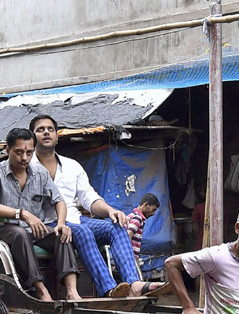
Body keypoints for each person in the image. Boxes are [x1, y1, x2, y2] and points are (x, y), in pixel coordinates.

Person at [30, 114, 164, 297]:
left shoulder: (72, 166)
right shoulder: (26, 166)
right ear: (32, 137)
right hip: (47, 224)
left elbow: (89, 198)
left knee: (117, 227)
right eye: (40, 129)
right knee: (83, 232)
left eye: (50, 129)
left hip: (75, 220)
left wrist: (111, 211)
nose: (46, 132)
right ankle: (109, 289)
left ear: (57, 135)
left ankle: (133, 284)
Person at [0, 127, 81, 302]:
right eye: (18, 152)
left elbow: (59, 201)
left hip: (34, 230)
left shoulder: (40, 173)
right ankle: (40, 289)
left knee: (62, 235)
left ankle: (71, 290)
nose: (24, 158)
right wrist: (22, 214)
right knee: (20, 233)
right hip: (3, 228)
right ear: (8, 150)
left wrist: (61, 223)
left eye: (29, 153)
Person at [126, 192, 160, 258]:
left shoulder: (131, 216)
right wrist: (129, 257)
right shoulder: (137, 218)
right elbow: (127, 236)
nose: (153, 213)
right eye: (153, 210)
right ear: (146, 205)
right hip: (128, 259)